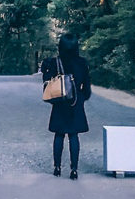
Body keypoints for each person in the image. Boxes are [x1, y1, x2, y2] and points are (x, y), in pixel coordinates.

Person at [40, 33, 91, 180]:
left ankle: (56, 167)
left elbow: (47, 82)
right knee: (73, 135)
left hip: (59, 102)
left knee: (59, 134)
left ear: (61, 46)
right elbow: (86, 86)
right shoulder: (82, 63)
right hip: (75, 102)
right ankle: (74, 170)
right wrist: (81, 97)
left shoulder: (54, 62)